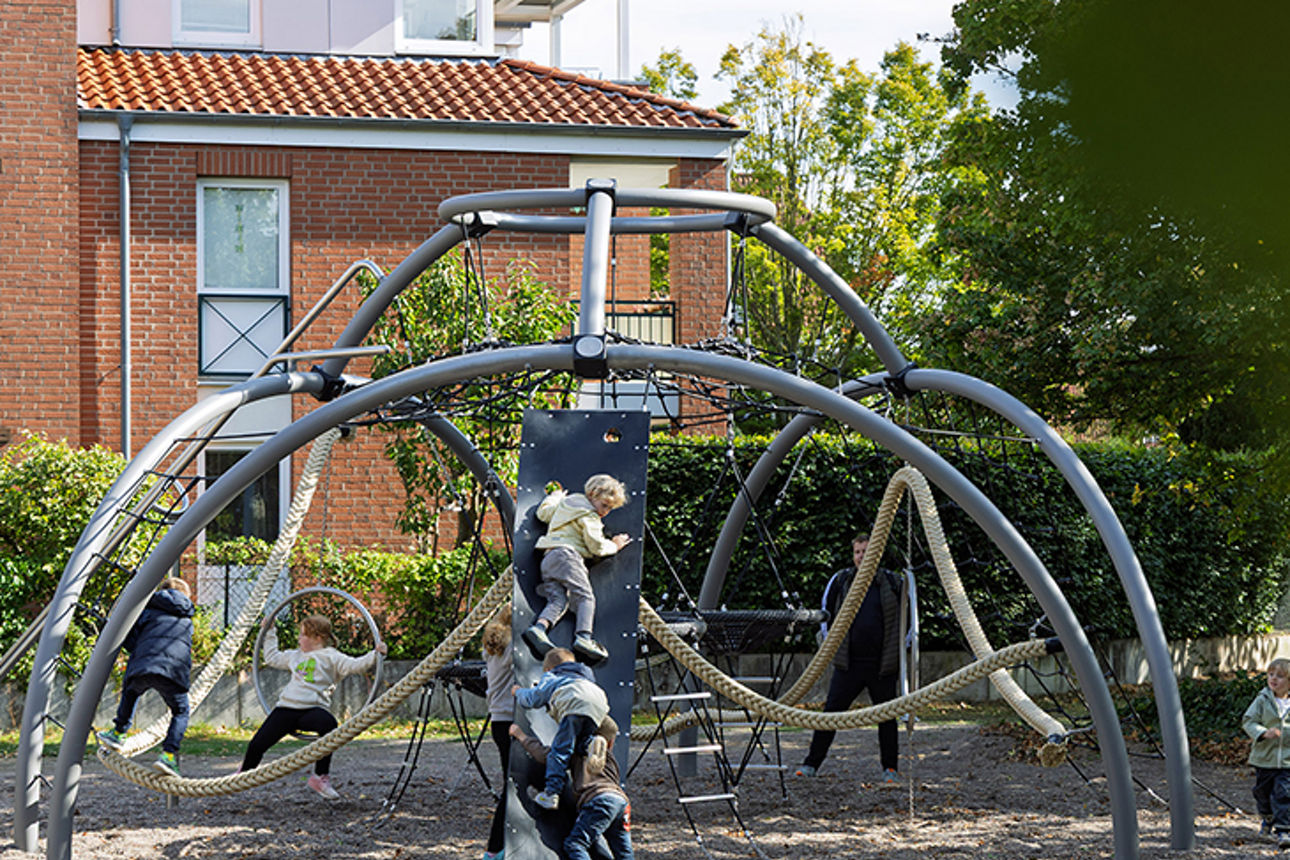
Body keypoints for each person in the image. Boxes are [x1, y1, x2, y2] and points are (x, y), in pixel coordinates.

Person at [795, 531, 905, 784]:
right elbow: (826, 613)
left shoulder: (892, 582)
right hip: (849, 663)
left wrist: (902, 646)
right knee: (830, 714)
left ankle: (890, 768)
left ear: (876, 553)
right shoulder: (842, 580)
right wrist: (832, 647)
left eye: (866, 551)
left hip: (881, 664)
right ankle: (811, 763)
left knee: (887, 716)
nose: (861, 556)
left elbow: (906, 617)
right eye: (857, 552)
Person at [241, 613, 386, 800]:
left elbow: (356, 665)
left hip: (311, 710)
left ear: (317, 638)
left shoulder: (332, 657)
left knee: (329, 725)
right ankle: (243, 774)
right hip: (286, 708)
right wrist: (270, 631)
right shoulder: (295, 656)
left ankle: (320, 777)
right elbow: (272, 657)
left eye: (303, 635)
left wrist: (376, 654)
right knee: (257, 745)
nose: (299, 638)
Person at [522, 474, 629, 665]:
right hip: (569, 557)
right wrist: (615, 545)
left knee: (559, 599)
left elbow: (543, 513)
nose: (605, 512)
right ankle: (584, 637)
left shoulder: (565, 504)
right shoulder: (589, 515)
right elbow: (595, 545)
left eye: (610, 509)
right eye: (604, 505)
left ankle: (539, 628)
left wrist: (556, 496)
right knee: (585, 597)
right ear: (593, 494)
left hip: (548, 558)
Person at [96, 577, 195, 777]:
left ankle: (118, 732)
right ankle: (168, 755)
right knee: (181, 711)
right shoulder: (187, 620)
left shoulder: (147, 611)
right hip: (173, 672)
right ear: (186, 596)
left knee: (131, 691)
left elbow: (131, 641)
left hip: (144, 665)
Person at [510, 716, 632, 860]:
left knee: (575, 844)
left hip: (599, 801)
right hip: (622, 803)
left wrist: (521, 736)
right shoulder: (610, 758)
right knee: (623, 851)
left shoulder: (578, 752)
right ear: (610, 743)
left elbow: (546, 756)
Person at [512, 647, 610, 811]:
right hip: (598, 702)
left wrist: (519, 692)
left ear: (548, 668)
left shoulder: (552, 675)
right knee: (579, 742)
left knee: (560, 750)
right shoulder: (585, 674)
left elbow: (533, 699)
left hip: (574, 701)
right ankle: (592, 742)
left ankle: (551, 794)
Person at [1243, 656, 1290, 847]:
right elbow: (1249, 721)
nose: (1274, 679)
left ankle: (1284, 831)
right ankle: (1267, 817)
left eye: (1279, 676)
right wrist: (1263, 732)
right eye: (1271, 674)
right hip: (1264, 758)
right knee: (1262, 793)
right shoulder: (1262, 700)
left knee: (1284, 794)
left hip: (1287, 761)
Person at [481, 604, 515, 860]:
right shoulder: (514, 649)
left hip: (498, 720)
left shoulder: (492, 649)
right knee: (512, 787)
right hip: (511, 720)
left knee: (511, 783)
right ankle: (494, 849)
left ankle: (499, 847)